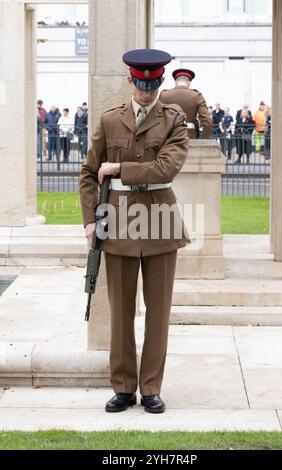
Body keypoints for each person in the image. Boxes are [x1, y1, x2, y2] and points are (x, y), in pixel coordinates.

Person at [79, 48, 191, 414]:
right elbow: (87, 173)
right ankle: (123, 387)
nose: (147, 91)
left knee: (158, 312)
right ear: (131, 81)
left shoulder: (174, 119)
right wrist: (90, 221)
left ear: (160, 82)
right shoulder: (111, 120)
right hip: (119, 222)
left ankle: (151, 388)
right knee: (120, 312)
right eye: (141, 84)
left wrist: (117, 168)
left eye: (153, 84)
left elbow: (164, 170)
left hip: (159, 220)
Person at [159, 68, 211, 139]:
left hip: (168, 137)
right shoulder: (196, 96)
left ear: (175, 82)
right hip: (189, 137)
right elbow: (207, 121)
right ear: (189, 82)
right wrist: (203, 139)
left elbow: (157, 118)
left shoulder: (164, 95)